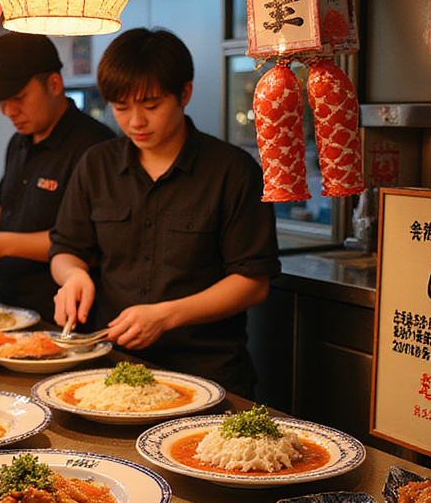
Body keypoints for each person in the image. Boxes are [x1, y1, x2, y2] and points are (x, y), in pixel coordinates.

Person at [49, 28, 280, 397]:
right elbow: (65, 248)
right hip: (113, 371)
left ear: (184, 93)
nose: (135, 121)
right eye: (121, 107)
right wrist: (73, 276)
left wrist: (166, 315)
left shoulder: (232, 171)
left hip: (209, 375)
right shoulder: (97, 164)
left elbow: (252, 283)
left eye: (151, 105)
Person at [0, 32, 113, 318]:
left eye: (18, 97)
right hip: (11, 307)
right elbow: (0, 213)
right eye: (1, 101)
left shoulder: (95, 147)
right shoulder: (19, 142)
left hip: (66, 315)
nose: (8, 111)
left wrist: (1, 244)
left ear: (54, 84)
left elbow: (91, 244)